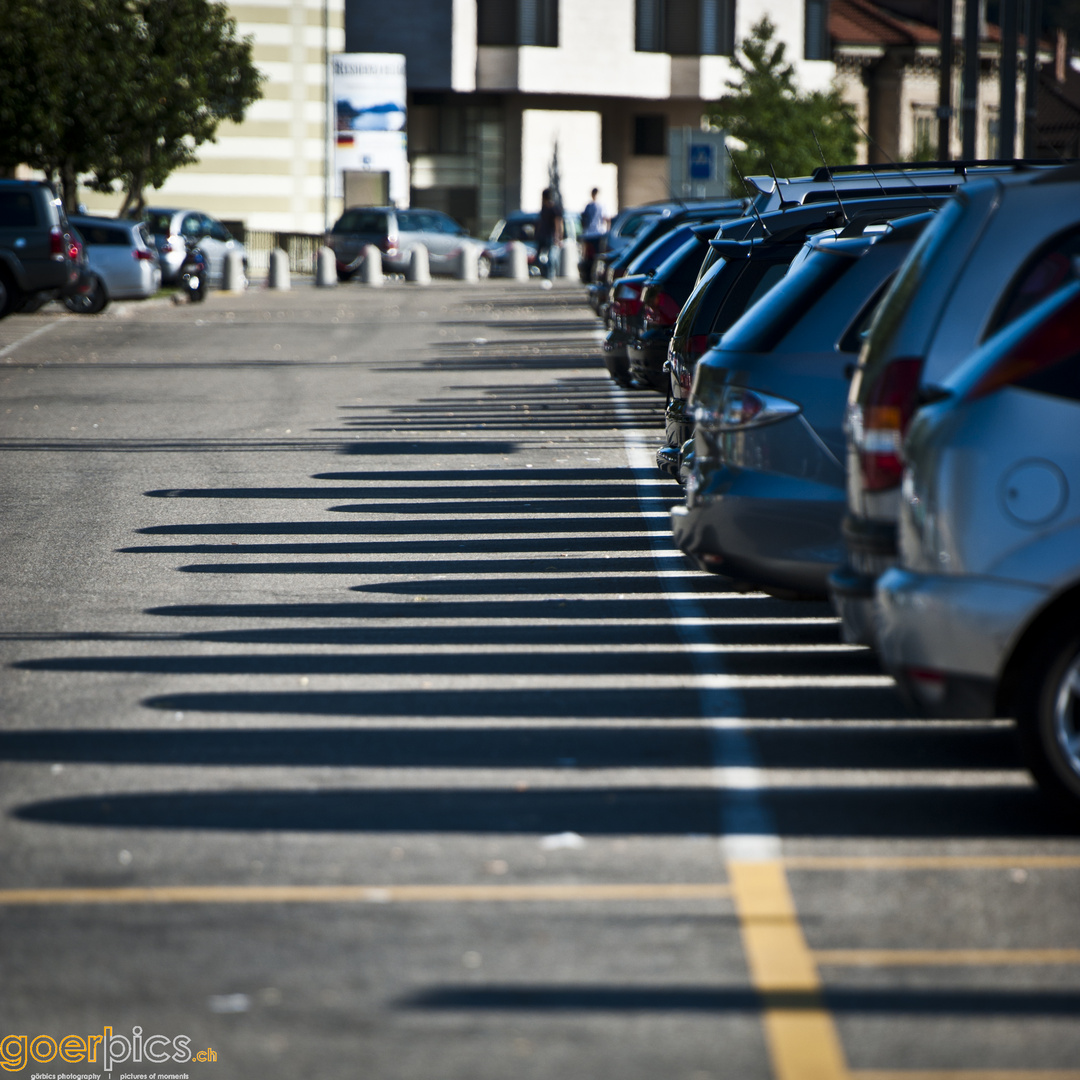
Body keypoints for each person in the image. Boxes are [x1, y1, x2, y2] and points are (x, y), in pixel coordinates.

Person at [535, 187, 563, 279]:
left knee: (551, 257)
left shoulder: (554, 209)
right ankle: (545, 273)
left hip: (550, 236)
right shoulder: (543, 208)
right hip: (543, 235)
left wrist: (558, 236)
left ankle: (550, 275)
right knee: (538, 258)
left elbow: (558, 223)